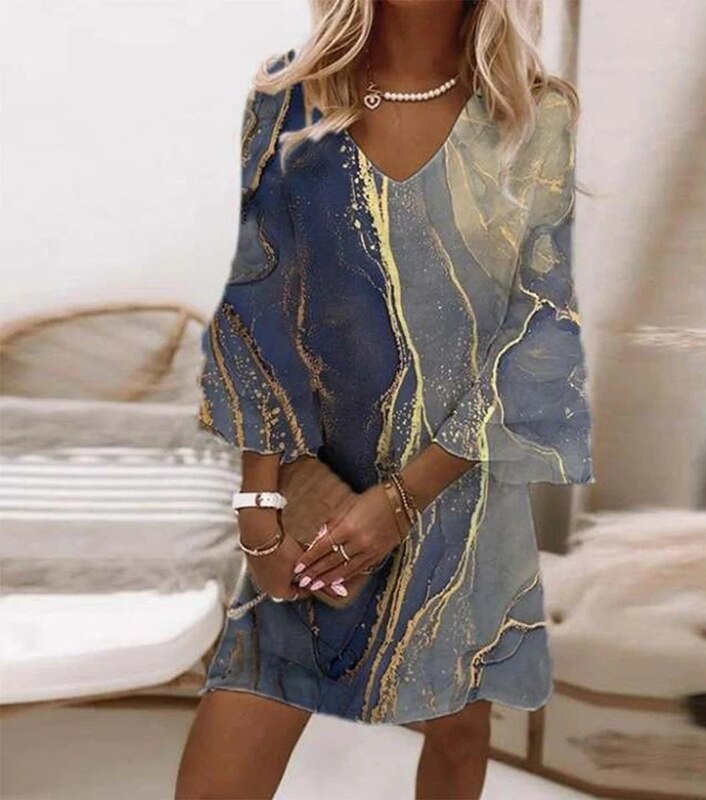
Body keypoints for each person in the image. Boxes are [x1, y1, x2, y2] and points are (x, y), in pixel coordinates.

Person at [176, 0, 594, 797]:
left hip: (460, 488)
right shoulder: (287, 95)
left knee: (458, 732)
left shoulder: (534, 114)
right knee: (238, 729)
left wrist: (405, 500)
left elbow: (539, 328)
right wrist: (259, 505)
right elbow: (258, 305)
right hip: (316, 495)